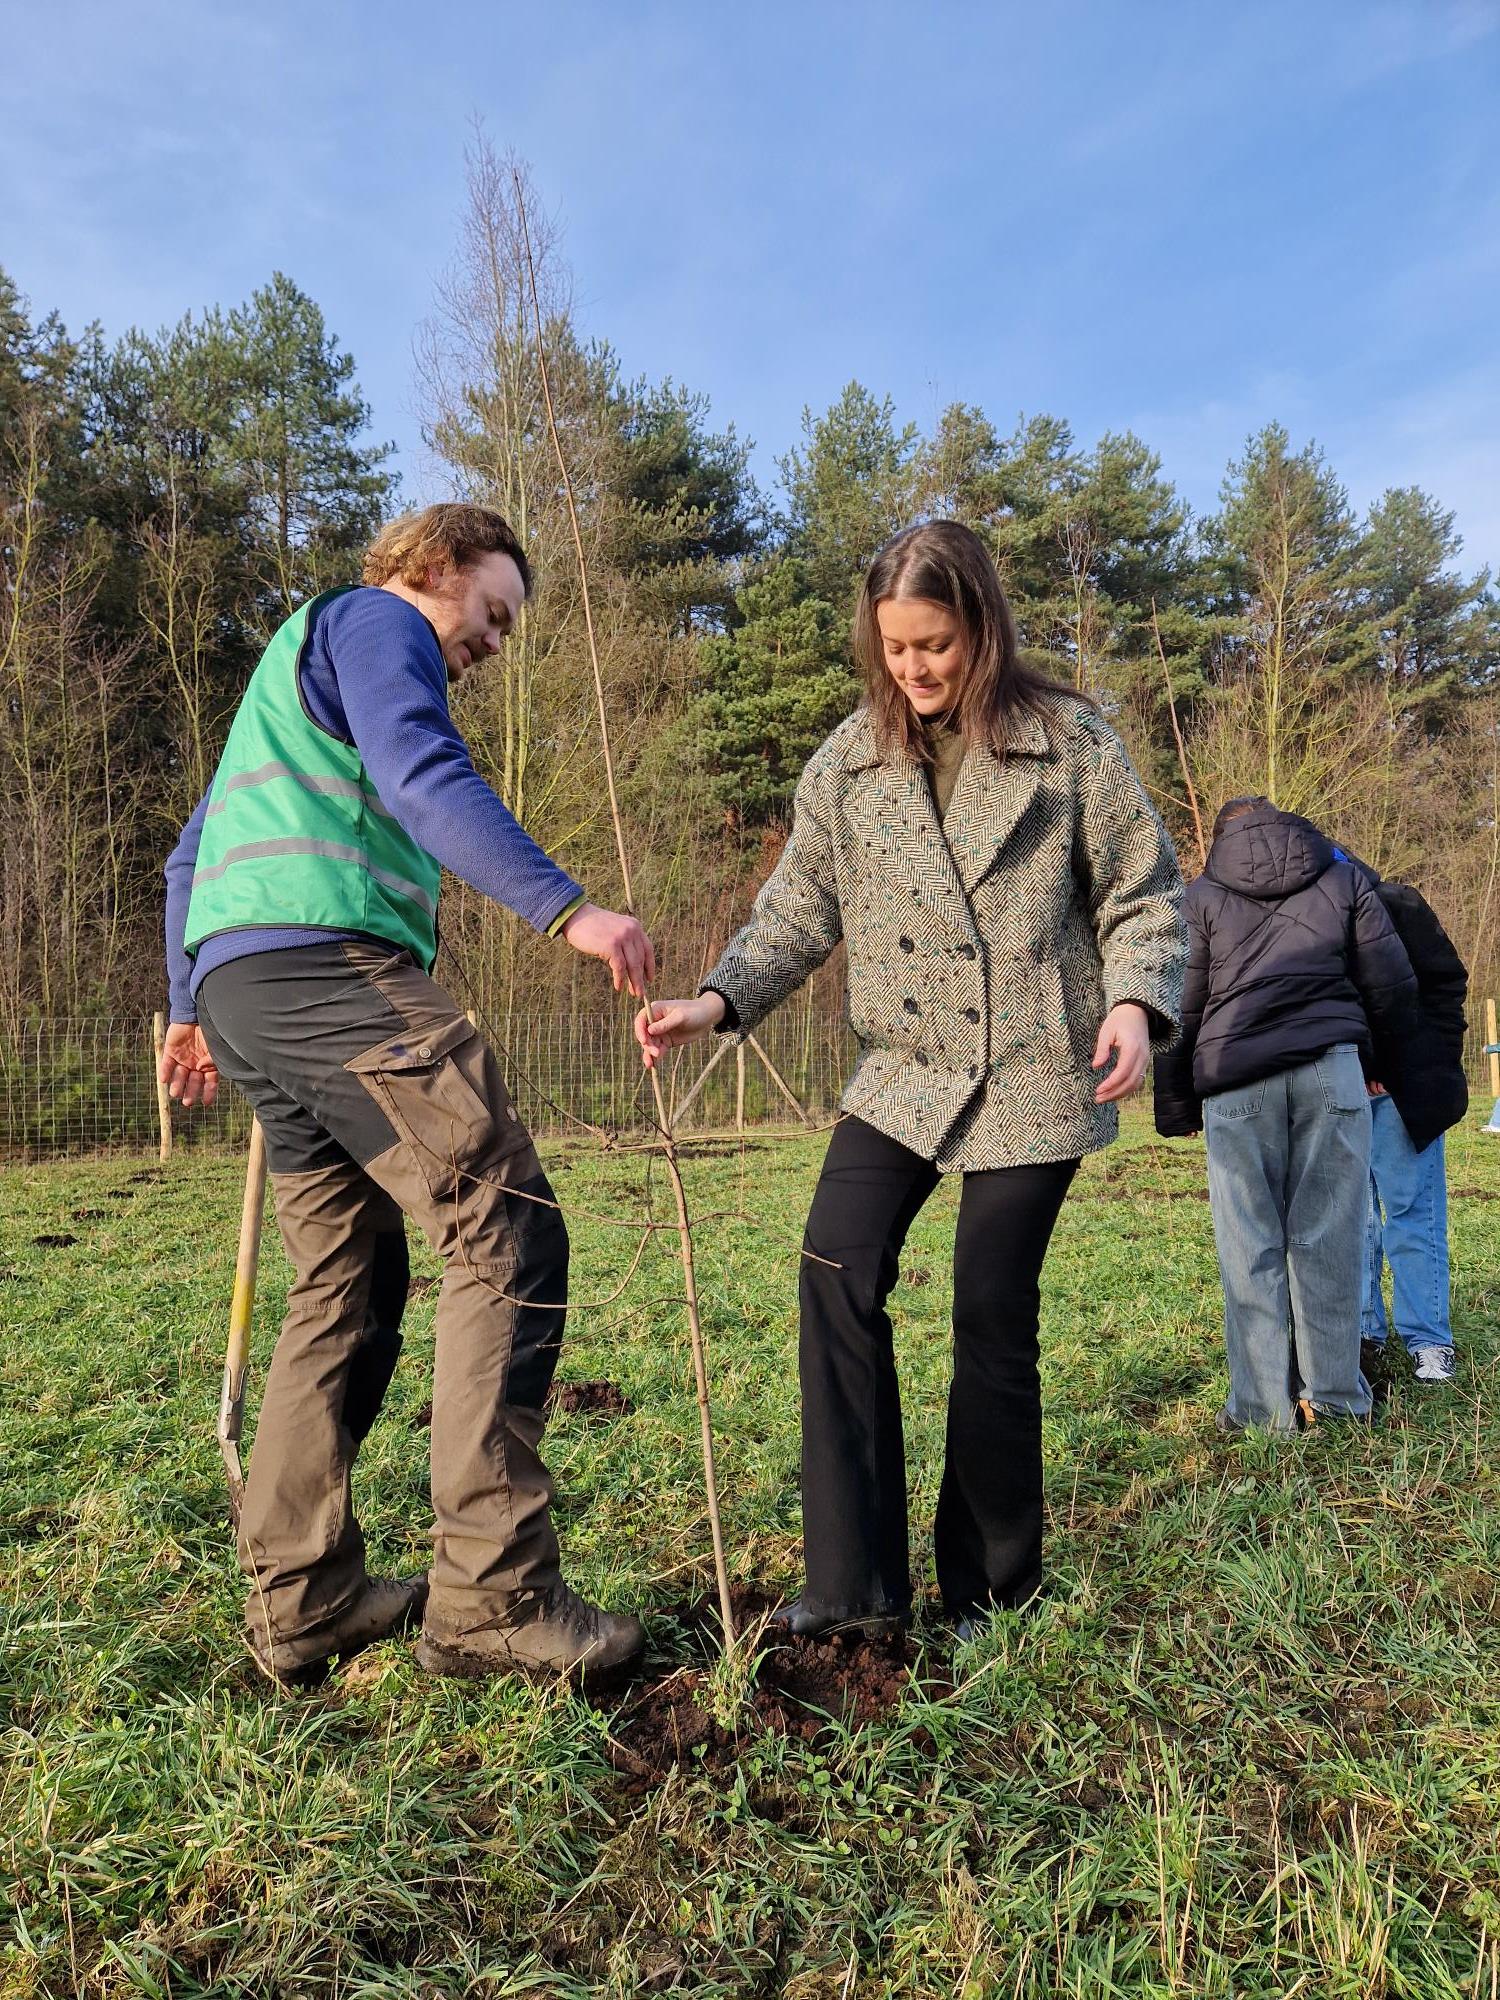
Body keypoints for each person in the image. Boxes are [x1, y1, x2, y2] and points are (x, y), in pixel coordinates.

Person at [635, 520, 1185, 1640]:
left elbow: (1145, 889)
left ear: (980, 627)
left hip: (1038, 1060)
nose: (915, 668)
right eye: (894, 648)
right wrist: (714, 998)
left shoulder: (1070, 742)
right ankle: (850, 1584)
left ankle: (989, 1588)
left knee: (991, 1308)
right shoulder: (847, 762)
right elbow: (796, 911)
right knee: (833, 1266)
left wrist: (1135, 999)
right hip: (904, 1066)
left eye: (933, 643)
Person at [160, 502, 653, 1688]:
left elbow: (191, 854)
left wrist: (188, 1001)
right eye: (491, 613)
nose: (490, 644)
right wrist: (570, 908)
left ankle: (305, 1596)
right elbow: (426, 776)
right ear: (435, 566)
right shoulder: (381, 625)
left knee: (349, 1277)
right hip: (334, 975)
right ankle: (492, 1597)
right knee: (508, 1228)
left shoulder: (286, 671)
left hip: (247, 987)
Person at [1154, 797, 1420, 1432]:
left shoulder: (1199, 897)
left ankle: (1262, 1411)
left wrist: (1176, 1102)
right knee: (1330, 1238)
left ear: (1220, 840)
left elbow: (1178, 1003)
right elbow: (1389, 982)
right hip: (1332, 1069)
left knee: (1250, 1243)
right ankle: (1336, 1399)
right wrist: (1376, 1062)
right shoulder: (1343, 876)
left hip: (1236, 1081)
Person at [1338, 857, 1468, 1387]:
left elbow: (1443, 987)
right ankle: (1366, 1329)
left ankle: (1430, 1339)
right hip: (1343, 1088)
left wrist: (1411, 1065)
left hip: (1402, 1092)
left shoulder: (1401, 904)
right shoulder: (1317, 916)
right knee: (1355, 1218)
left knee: (1412, 1210)